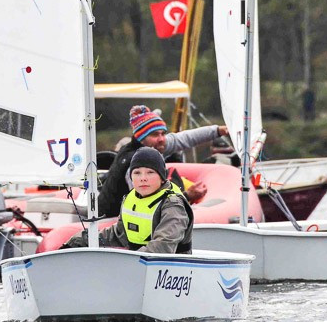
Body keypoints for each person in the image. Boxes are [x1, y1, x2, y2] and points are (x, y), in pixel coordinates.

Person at [97, 105, 226, 218]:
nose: (162, 139)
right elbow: (146, 204)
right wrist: (187, 195)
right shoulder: (135, 162)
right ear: (142, 137)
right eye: (155, 135)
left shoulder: (153, 145)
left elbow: (185, 138)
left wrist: (218, 131)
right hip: (113, 219)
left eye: (163, 133)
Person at [63, 147, 193, 253]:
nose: (143, 178)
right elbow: (116, 234)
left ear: (162, 177)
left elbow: (163, 247)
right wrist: (75, 243)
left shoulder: (173, 205)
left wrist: (128, 263)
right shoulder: (131, 198)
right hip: (137, 267)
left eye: (150, 172)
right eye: (137, 173)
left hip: (168, 274)